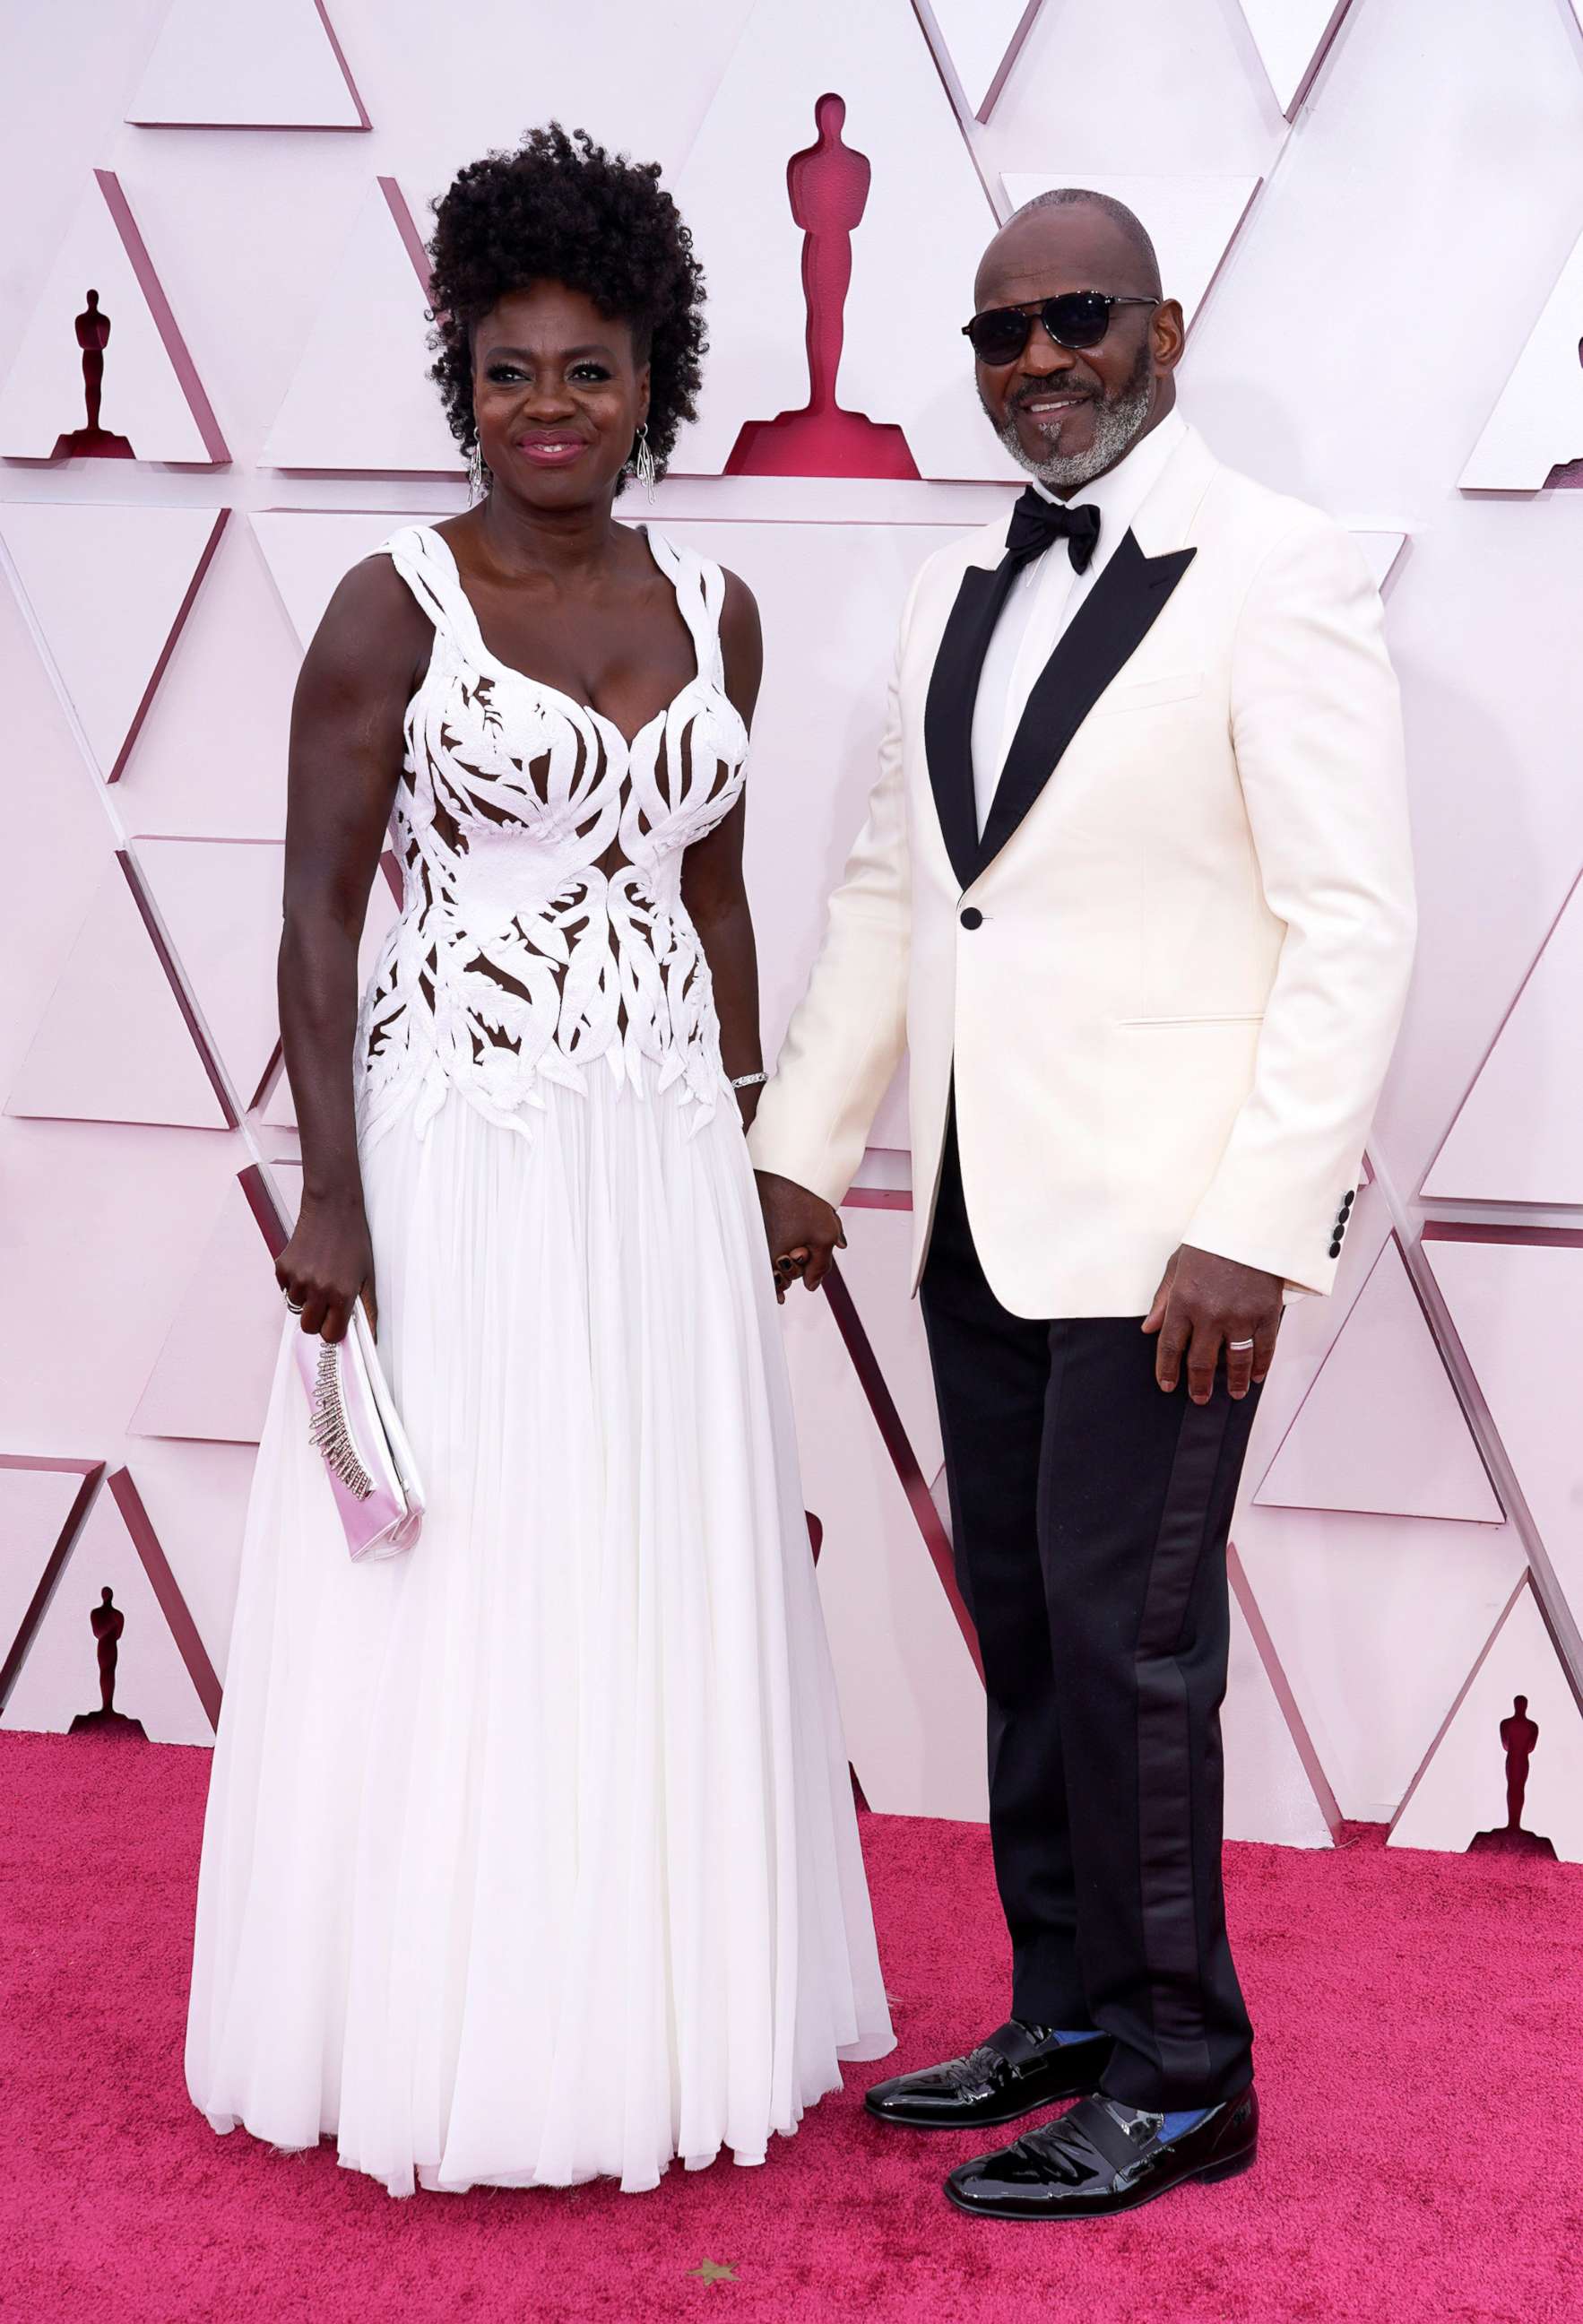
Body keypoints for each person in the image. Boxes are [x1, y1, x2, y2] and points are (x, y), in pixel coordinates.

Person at [185, 123, 892, 2200]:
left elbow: (721, 889)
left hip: (660, 1153)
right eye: (510, 368)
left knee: (644, 1553)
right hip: (463, 1151)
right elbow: (316, 917)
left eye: (589, 367)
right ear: (460, 381)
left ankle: (641, 2011)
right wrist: (330, 1195)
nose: (551, 407)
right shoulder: (385, 608)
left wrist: (764, 1141)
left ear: (655, 377)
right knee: (473, 1569)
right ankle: (442, 2028)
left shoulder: (721, 604)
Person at [750, 187, 1415, 2221]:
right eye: (997, 335)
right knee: (1034, 1640)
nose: (1035, 362)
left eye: (1073, 320)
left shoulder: (1280, 572)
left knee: (1137, 1664)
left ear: (1162, 327)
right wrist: (800, 1149)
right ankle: (1063, 2016)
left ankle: (1183, 2070)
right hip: (979, 1209)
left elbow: (1351, 923)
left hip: (1167, 1244)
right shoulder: (955, 586)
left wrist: (1258, 1214)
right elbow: (896, 894)